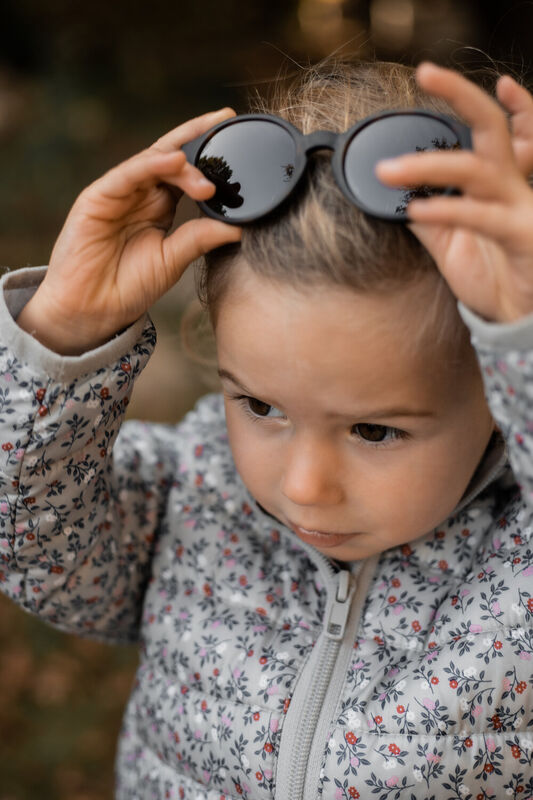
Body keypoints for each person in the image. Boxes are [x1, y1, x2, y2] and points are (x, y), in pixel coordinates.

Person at [0, 57, 532, 799]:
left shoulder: (515, 570)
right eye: (260, 407)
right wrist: (61, 335)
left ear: (496, 381)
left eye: (374, 431)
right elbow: (31, 545)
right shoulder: (193, 490)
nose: (303, 487)